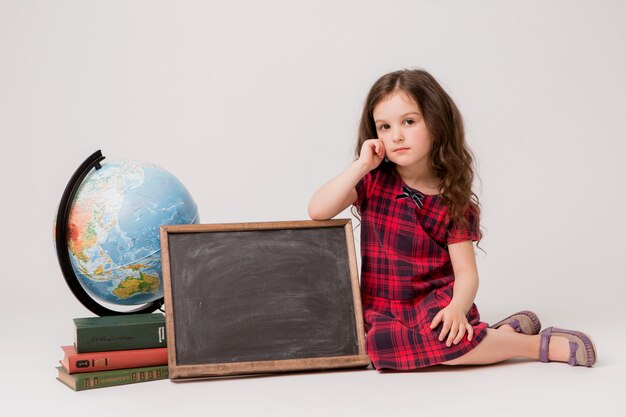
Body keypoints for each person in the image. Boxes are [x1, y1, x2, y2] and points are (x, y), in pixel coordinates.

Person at [308, 69, 597, 370]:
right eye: (384, 127)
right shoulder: (372, 181)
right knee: (379, 347)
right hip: (384, 307)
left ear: (436, 123)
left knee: (444, 336)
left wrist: (458, 308)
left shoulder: (453, 200)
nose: (396, 136)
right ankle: (501, 335)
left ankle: (537, 345)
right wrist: (362, 164)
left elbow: (466, 273)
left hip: (433, 301)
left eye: (409, 121)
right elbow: (318, 209)